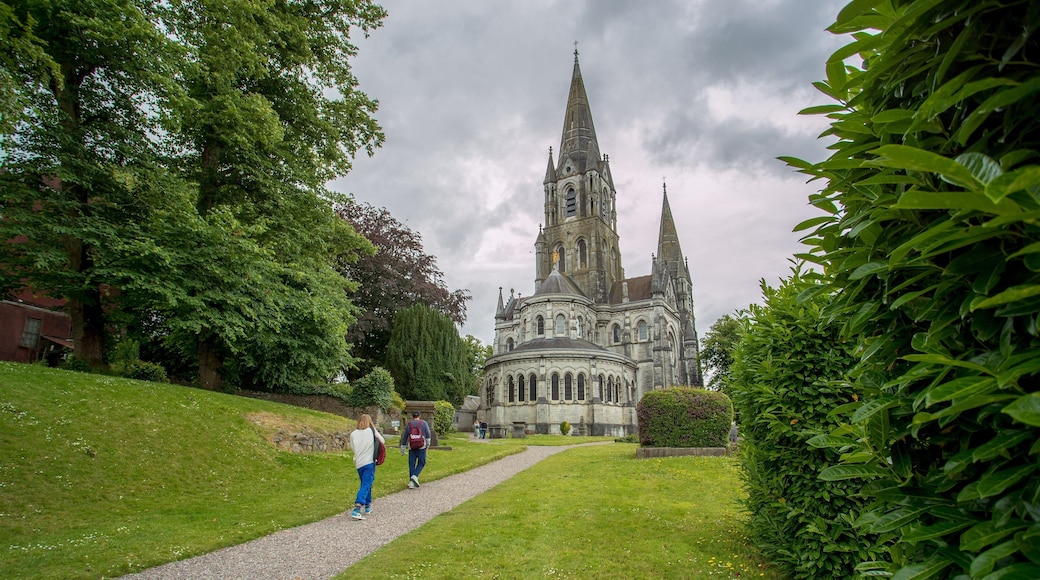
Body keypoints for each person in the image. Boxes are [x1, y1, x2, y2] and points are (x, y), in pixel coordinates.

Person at [348, 414, 384, 520]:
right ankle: (357, 507)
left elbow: (353, 448)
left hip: (359, 463)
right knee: (366, 484)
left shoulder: (353, 434)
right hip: (369, 462)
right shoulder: (371, 431)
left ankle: (368, 505)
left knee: (366, 483)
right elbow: (382, 441)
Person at [399, 410, 431, 488]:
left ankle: (411, 483)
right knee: (422, 462)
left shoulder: (409, 424)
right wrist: (428, 444)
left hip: (412, 446)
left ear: (412, 416)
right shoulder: (424, 423)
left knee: (411, 464)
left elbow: (405, 437)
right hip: (421, 446)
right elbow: (428, 434)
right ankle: (415, 476)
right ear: (419, 416)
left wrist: (403, 448)